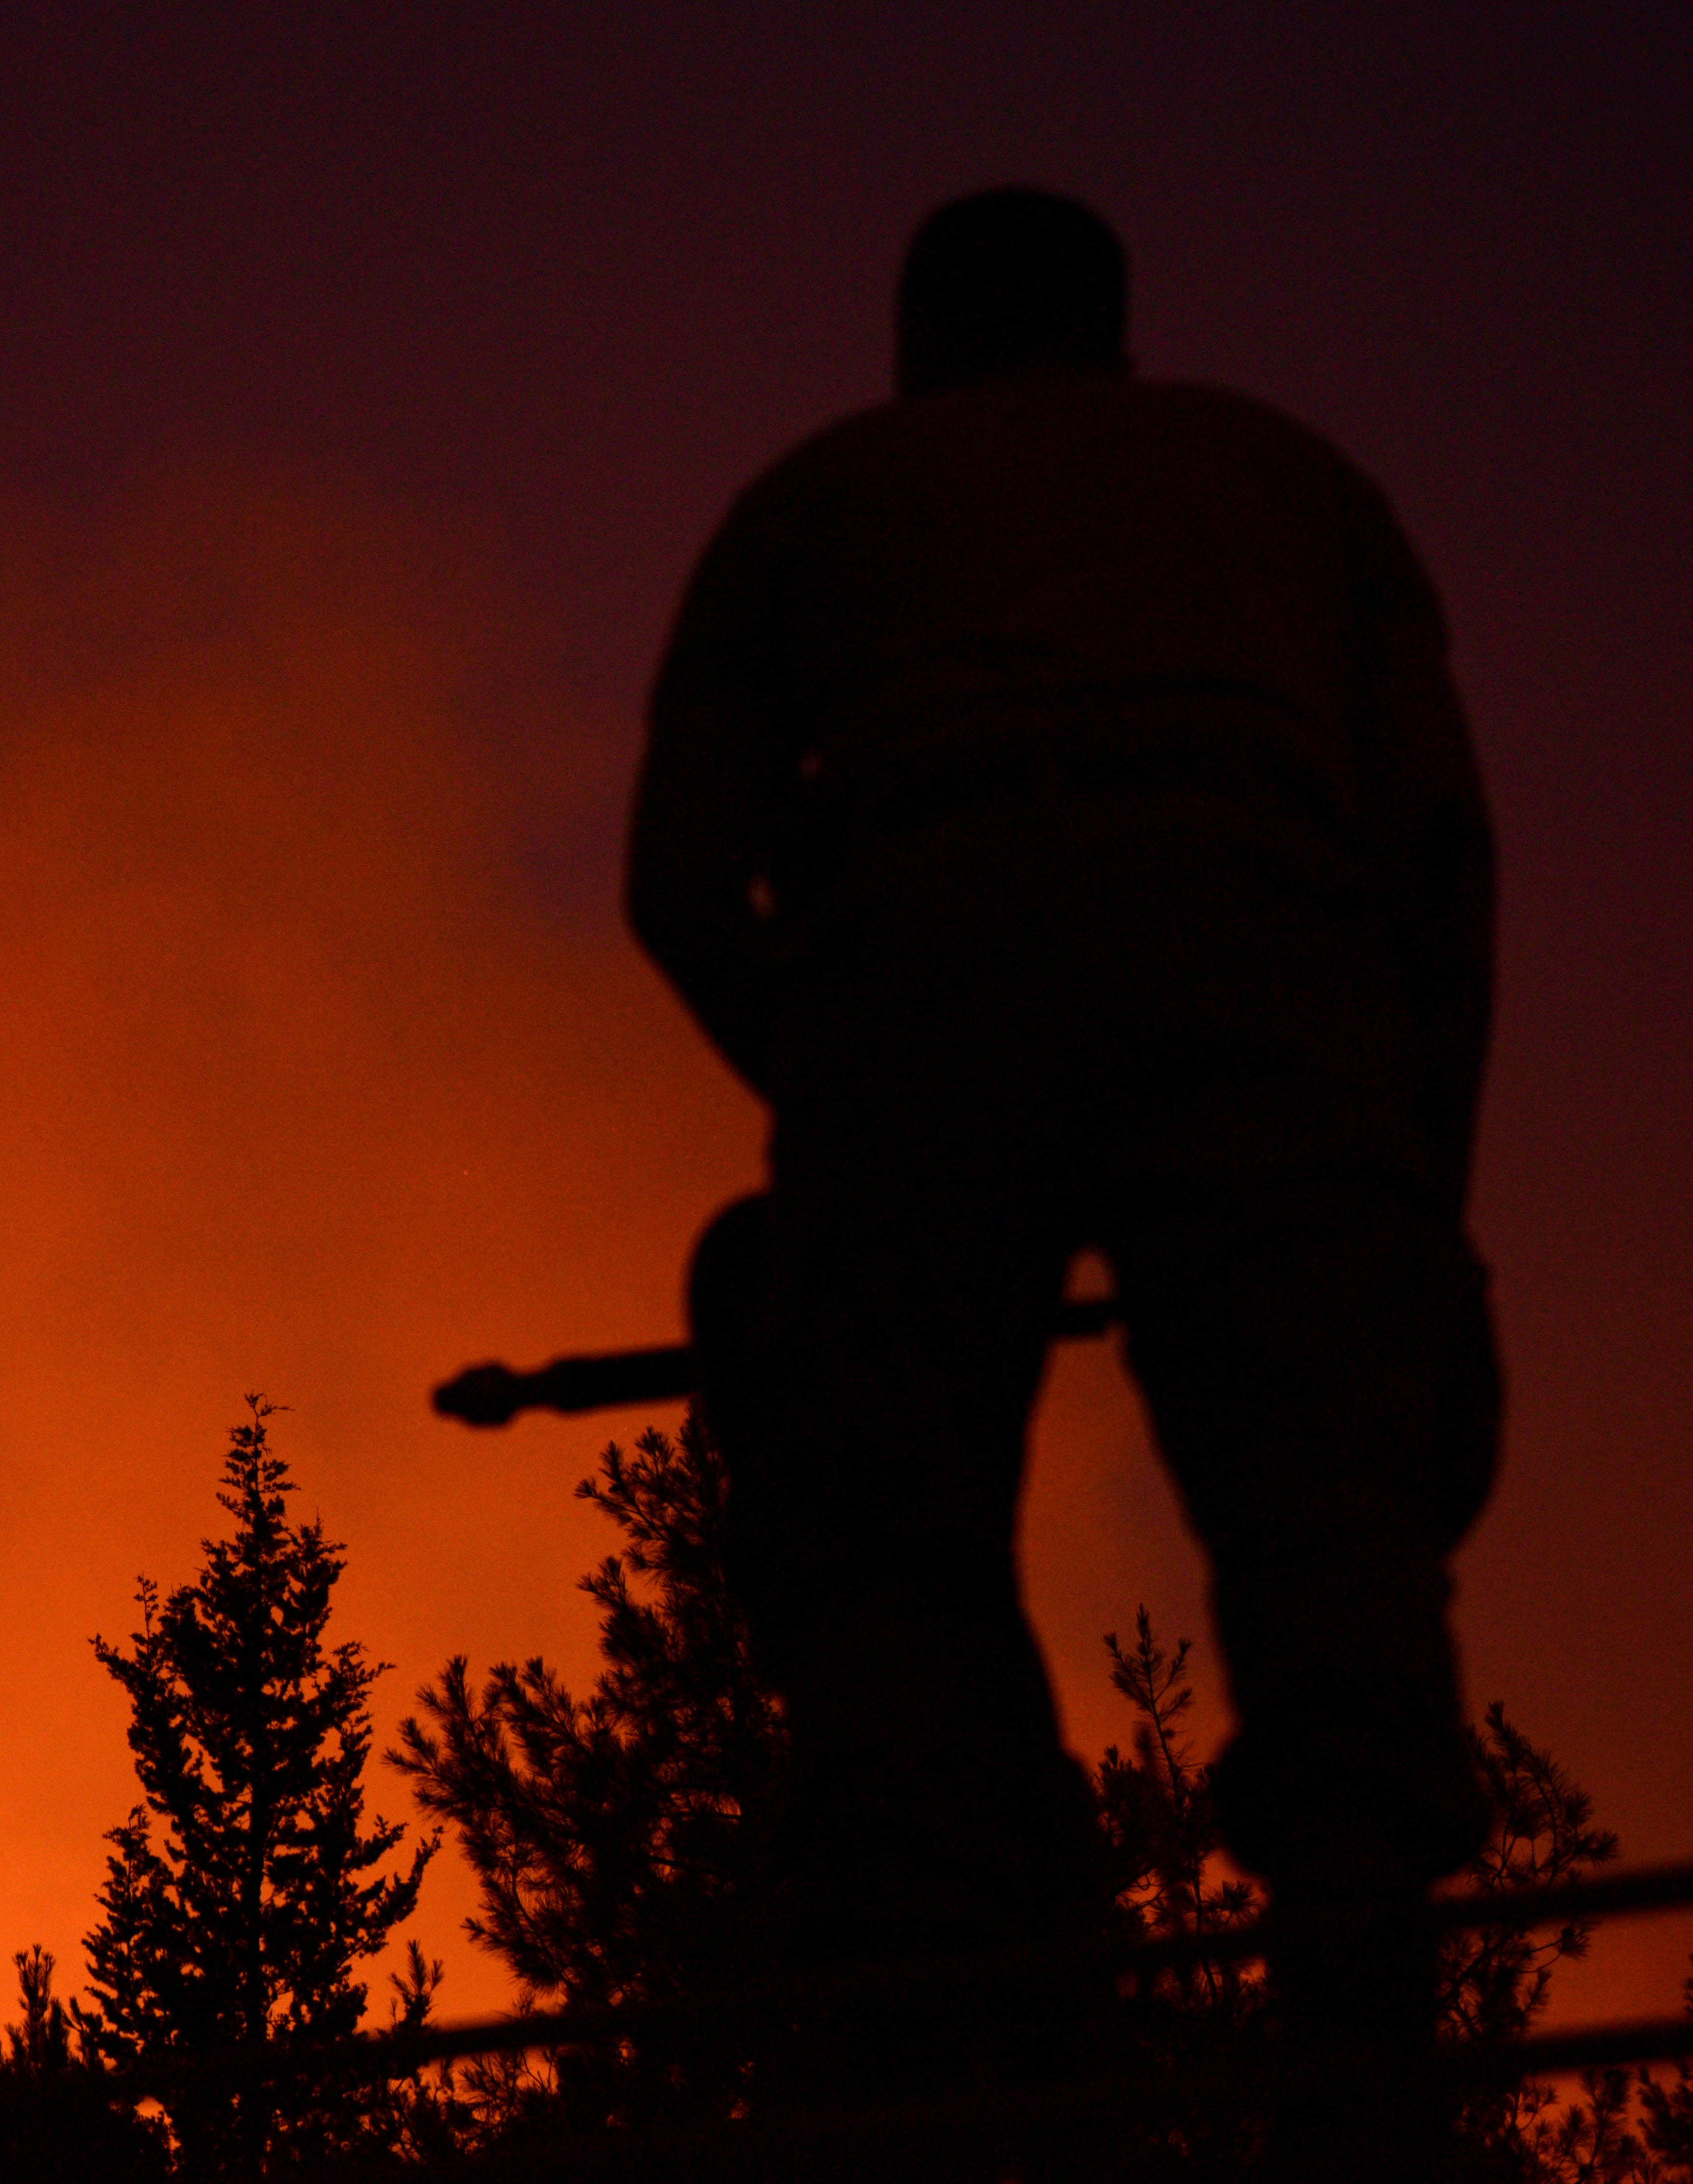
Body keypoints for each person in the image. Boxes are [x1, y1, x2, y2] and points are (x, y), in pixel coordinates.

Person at [629, 189, 1499, 2173]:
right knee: (1328, 1539)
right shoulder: (1297, 480)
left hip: (923, 935)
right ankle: (1360, 2044)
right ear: (1114, 331)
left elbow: (678, 878)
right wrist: (1413, 1222)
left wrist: (848, 1112)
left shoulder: (814, 498)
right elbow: (1444, 857)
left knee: (886, 1530)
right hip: (1259, 930)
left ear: (920, 335)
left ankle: (973, 2005)